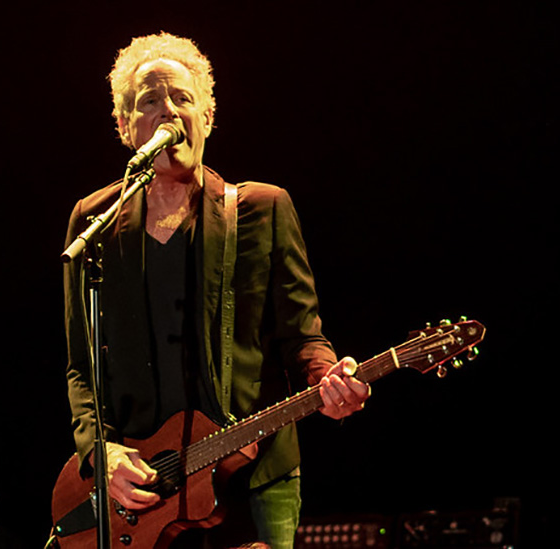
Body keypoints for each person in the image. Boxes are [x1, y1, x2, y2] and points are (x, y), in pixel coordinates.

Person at [63, 32, 371, 549]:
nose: (169, 113)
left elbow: (303, 337)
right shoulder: (95, 221)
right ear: (123, 126)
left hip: (254, 474)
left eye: (183, 99)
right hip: (147, 493)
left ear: (207, 118)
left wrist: (330, 380)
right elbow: (82, 365)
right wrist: (102, 453)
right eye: (151, 102)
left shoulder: (262, 208)